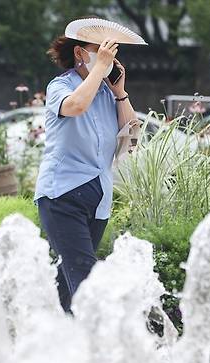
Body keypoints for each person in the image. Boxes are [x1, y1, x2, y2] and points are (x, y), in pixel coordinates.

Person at [35, 27, 137, 312]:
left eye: (110, 53)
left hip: (97, 203)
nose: (106, 58)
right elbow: (77, 106)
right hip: (62, 198)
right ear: (80, 53)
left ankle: (43, 332)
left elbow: (131, 141)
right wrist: (98, 71)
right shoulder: (61, 87)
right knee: (87, 279)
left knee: (67, 283)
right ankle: (98, 349)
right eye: (99, 51)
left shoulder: (107, 93)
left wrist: (120, 93)